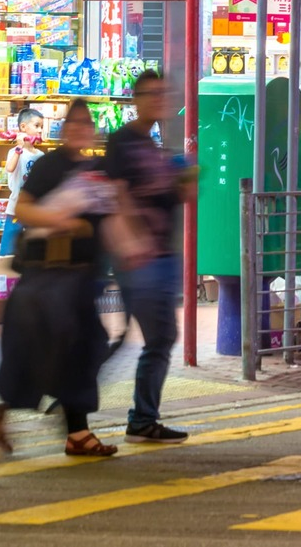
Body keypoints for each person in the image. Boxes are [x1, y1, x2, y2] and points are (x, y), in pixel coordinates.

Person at [0, 100, 118, 457]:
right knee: (48, 353)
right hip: (48, 280)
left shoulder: (97, 169)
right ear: (64, 131)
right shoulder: (49, 165)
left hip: (80, 280)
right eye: (73, 124)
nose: (80, 130)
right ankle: (8, 414)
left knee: (84, 349)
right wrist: (64, 223)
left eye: (86, 124)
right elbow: (24, 209)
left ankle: (76, 431)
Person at [102, 69, 195, 445]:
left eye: (163, 93)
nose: (159, 100)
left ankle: (136, 415)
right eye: (151, 93)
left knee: (145, 338)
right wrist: (132, 245)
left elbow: (174, 198)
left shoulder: (155, 147)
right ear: (137, 99)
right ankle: (139, 417)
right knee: (159, 337)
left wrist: (185, 181)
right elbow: (117, 195)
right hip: (141, 260)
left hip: (160, 259)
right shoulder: (123, 142)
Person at [0, 111, 45, 260]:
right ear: (23, 127)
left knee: (34, 253)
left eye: (41, 127)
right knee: (8, 252)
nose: (40, 130)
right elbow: (9, 168)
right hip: (15, 209)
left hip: (35, 211)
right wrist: (19, 148)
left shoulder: (41, 156)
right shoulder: (15, 151)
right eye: (36, 125)